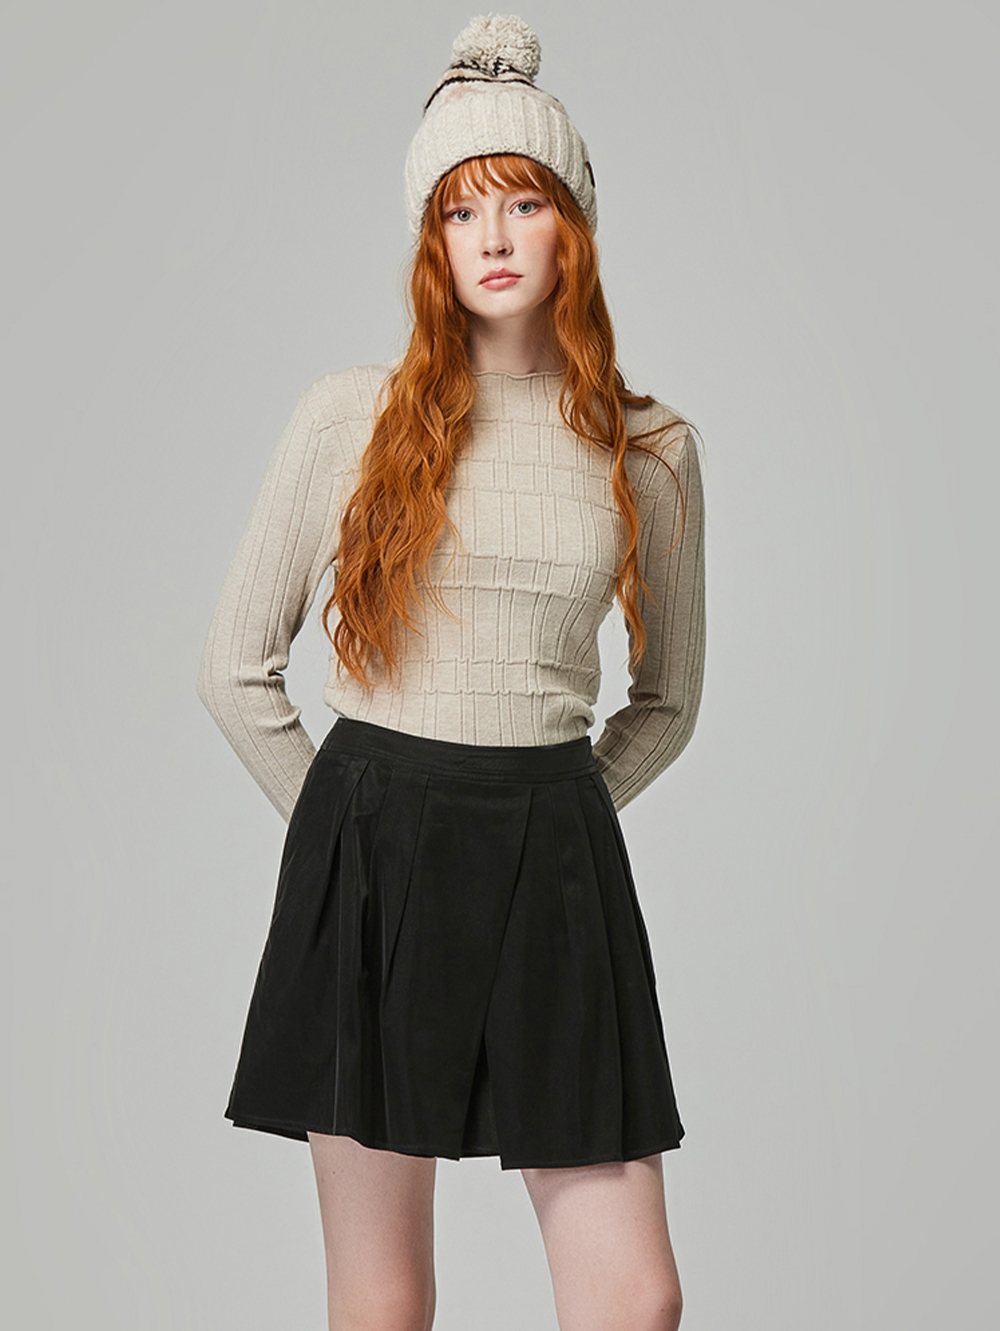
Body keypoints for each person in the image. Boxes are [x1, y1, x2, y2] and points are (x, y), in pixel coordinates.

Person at [197, 14, 706, 1331]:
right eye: (460, 211)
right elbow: (233, 667)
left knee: (636, 1299)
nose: (492, 237)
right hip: (374, 854)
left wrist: (550, 823)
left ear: (571, 225)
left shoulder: (651, 447)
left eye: (522, 202)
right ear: (431, 241)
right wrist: (348, 837)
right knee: (383, 1306)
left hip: (554, 853)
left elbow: (667, 700)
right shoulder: (346, 417)